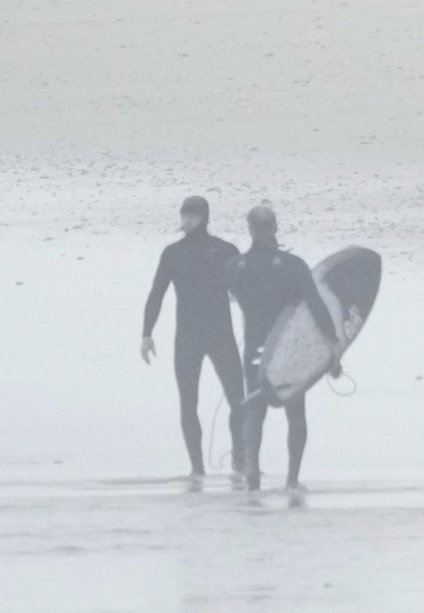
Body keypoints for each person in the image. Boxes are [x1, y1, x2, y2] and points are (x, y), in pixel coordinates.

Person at [229, 204, 339, 492]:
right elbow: (317, 308)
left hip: (254, 347)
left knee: (255, 410)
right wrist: (333, 347)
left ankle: (252, 471)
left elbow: (224, 300)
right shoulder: (294, 266)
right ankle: (292, 478)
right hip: (289, 350)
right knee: (295, 411)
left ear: (250, 229)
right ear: (276, 228)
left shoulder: (235, 267)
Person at [141, 195, 245, 485]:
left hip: (221, 335)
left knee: (239, 399)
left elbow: (245, 289)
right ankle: (197, 468)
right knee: (188, 402)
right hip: (187, 337)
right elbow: (157, 293)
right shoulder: (172, 253)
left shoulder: (226, 251)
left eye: (192, 216)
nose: (186, 220)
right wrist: (146, 334)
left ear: (204, 218)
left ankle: (240, 459)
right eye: (184, 215)